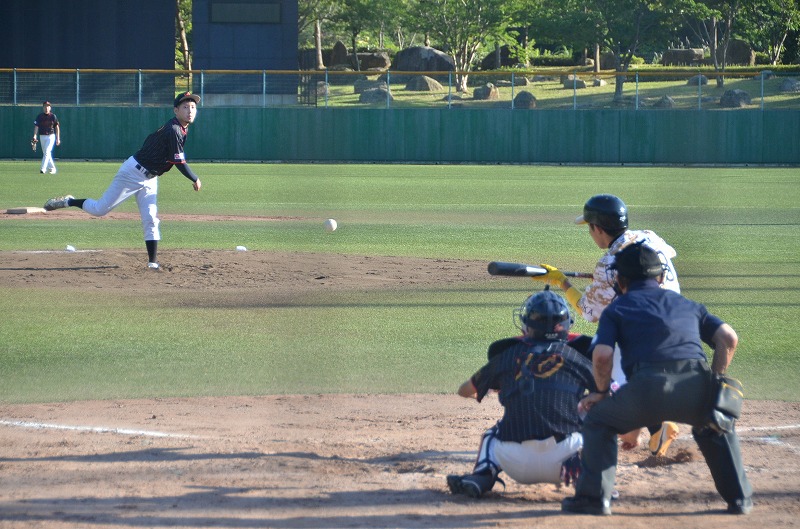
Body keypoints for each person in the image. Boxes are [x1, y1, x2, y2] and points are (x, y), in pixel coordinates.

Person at [561, 242, 753, 516]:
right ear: (661, 276)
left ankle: (594, 500)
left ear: (620, 281)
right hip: (696, 388)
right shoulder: (688, 304)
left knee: (599, 422)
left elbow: (602, 356)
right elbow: (728, 338)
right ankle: (739, 500)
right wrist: (715, 383)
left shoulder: (616, 309)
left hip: (645, 390)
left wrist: (601, 393)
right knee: (716, 422)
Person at [534, 194, 681, 456]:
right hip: (678, 322)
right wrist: (621, 276)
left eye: (590, 228)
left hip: (642, 333)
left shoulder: (607, 264)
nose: (590, 234)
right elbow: (666, 257)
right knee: (629, 379)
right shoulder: (650, 237)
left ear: (598, 229)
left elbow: (588, 311)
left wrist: (562, 282)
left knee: (605, 377)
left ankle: (654, 426)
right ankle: (647, 429)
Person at [446, 289, 596, 498]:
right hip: (565, 465)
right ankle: (592, 482)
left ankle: (481, 476)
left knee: (492, 434)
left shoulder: (507, 355)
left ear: (527, 325)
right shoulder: (578, 358)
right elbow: (612, 393)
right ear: (566, 325)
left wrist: (497, 386)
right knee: (595, 422)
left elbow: (464, 391)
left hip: (514, 463)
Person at [43, 92, 203, 269]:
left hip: (150, 177)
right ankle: (69, 201)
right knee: (99, 209)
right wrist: (194, 178)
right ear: (176, 110)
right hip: (132, 173)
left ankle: (152, 262)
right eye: (185, 107)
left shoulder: (180, 128)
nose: (190, 111)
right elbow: (178, 162)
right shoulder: (174, 129)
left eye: (193, 107)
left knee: (151, 218)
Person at [32, 101, 61, 174]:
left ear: (50, 108)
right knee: (46, 153)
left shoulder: (53, 116)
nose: (46, 108)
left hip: (51, 136)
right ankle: (53, 168)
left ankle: (43, 169)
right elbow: (36, 126)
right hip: (42, 136)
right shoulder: (40, 116)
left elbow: (57, 127)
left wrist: (58, 138)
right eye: (45, 106)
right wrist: (35, 136)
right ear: (43, 107)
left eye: (48, 106)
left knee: (47, 152)